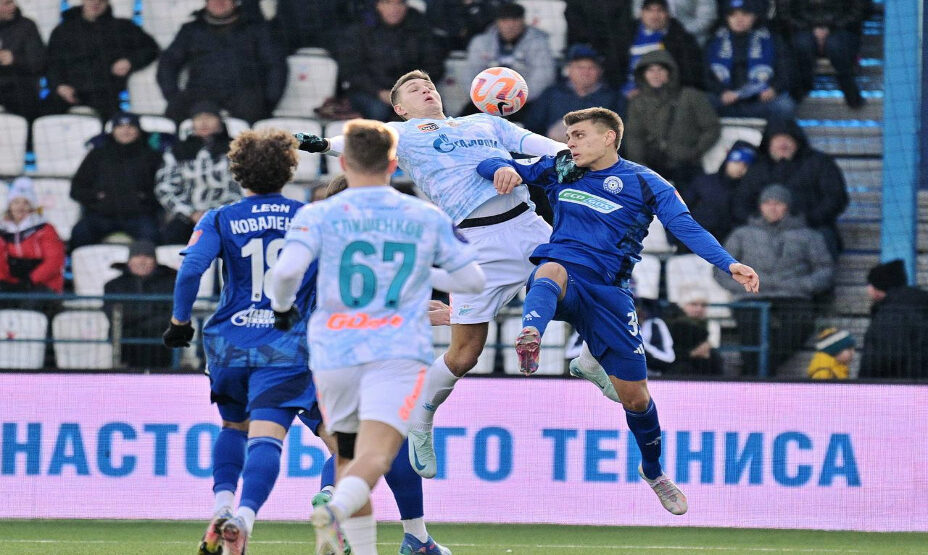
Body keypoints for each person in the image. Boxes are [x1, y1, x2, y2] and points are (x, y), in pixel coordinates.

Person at [293, 69, 610, 481]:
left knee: (596, 286)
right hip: (478, 245)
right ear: (400, 108)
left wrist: (543, 162)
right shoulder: (403, 133)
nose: (425, 89)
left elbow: (546, 148)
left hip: (529, 227)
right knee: (464, 354)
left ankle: (588, 360)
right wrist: (321, 144)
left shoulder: (484, 122)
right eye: (413, 88)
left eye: (428, 85)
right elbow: (359, 140)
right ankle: (421, 418)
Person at [476, 107, 758, 514]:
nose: (569, 143)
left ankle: (653, 471)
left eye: (579, 135)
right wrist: (502, 168)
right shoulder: (562, 168)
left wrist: (729, 264)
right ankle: (531, 333)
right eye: (568, 136)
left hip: (610, 295)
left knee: (637, 400)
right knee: (550, 268)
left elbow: (686, 227)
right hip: (566, 280)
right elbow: (488, 163)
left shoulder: (646, 182)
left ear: (609, 137)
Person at [268, 119, 484, 555]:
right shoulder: (423, 215)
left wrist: (281, 309)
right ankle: (337, 506)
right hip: (394, 351)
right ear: (393, 163)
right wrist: (420, 275)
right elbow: (474, 281)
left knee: (349, 453)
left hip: (330, 353)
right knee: (381, 452)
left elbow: (286, 273)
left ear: (343, 162)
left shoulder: (317, 215)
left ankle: (365, 531)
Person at [162, 129, 320, 555]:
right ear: (289, 169)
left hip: (230, 341)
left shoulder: (219, 218)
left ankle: (221, 507)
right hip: (286, 343)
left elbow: (190, 270)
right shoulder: (311, 216)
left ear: (237, 172)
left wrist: (180, 321)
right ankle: (244, 518)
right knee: (267, 436)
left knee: (233, 426)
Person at [714, 184, 833, 375]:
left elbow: (825, 269)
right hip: (752, 295)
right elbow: (722, 267)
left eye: (778, 203)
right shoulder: (742, 235)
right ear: (760, 207)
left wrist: (803, 286)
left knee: (801, 322)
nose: (772, 208)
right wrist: (743, 286)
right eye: (767, 203)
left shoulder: (809, 236)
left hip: (793, 295)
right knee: (750, 324)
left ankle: (760, 371)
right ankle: (759, 373)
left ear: (787, 206)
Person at [732, 118, 848, 257]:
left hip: (811, 228)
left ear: (798, 142)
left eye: (787, 139)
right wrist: (762, 222)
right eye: (777, 139)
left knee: (824, 238)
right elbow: (740, 203)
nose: (782, 144)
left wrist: (806, 220)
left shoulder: (820, 163)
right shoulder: (756, 168)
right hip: (762, 231)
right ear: (768, 143)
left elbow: (836, 198)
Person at [157, 0, 287, 124]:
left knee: (254, 112)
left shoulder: (257, 29)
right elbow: (168, 62)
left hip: (243, 94)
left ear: (234, 2)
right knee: (176, 109)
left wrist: (268, 101)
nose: (219, 2)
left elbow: (276, 65)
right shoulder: (191, 30)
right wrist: (172, 95)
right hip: (200, 93)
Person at [44, 0, 159, 119]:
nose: (95, 3)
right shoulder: (63, 31)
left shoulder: (122, 27)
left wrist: (130, 61)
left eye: (101, 0)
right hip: (68, 90)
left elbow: (151, 49)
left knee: (115, 120)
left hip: (104, 92)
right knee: (44, 115)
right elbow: (52, 63)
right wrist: (59, 86)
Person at [624, 49, 720, 188]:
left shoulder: (691, 96)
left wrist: (695, 151)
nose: (656, 74)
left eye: (660, 69)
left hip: (688, 168)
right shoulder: (638, 103)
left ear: (670, 72)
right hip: (654, 169)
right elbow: (634, 136)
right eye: (650, 70)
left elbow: (711, 127)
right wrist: (640, 165)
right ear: (643, 74)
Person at [338, 0, 445, 122]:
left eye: (399, 3)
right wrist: (379, 92)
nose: (394, 8)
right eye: (387, 3)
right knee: (379, 110)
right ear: (378, 5)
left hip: (410, 91)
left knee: (432, 109)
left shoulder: (420, 28)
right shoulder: (359, 29)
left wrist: (412, 89)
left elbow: (434, 65)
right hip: (369, 91)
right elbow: (351, 70)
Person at [69, 112, 163, 249]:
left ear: (138, 130)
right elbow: (77, 188)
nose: (125, 131)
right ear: (113, 130)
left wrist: (144, 200)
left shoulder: (153, 156)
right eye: (120, 127)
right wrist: (97, 197)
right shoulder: (97, 155)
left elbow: (162, 188)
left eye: (130, 127)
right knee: (80, 232)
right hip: (101, 215)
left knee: (152, 235)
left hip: (139, 216)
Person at [156, 101, 242, 245]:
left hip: (225, 215)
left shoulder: (236, 150)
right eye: (198, 118)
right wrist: (190, 213)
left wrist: (215, 214)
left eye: (209, 117)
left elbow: (242, 187)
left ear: (220, 121)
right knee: (171, 236)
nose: (203, 122)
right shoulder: (177, 151)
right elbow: (164, 187)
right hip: (187, 216)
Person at [704, 0, 796, 120]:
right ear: (727, 18)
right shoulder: (714, 41)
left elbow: (785, 71)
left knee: (784, 105)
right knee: (700, 101)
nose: (739, 19)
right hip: (725, 102)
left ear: (755, 16)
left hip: (759, 101)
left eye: (745, 14)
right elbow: (705, 75)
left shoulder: (772, 39)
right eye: (733, 15)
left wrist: (774, 89)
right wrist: (721, 92)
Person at [463, 2, 556, 116]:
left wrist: (516, 99)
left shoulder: (538, 42)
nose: (510, 25)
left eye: (515, 20)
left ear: (523, 20)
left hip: (525, 101)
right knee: (464, 119)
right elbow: (470, 75)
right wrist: (485, 99)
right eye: (505, 21)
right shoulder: (481, 42)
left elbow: (543, 77)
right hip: (487, 100)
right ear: (497, 22)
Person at [776, 0, 870, 108]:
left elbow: (860, 10)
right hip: (801, 27)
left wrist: (831, 27)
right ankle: (798, 92)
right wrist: (811, 28)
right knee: (802, 44)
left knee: (836, 47)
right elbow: (784, 12)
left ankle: (850, 90)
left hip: (843, 28)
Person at [523, 44, 627, 139]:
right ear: (568, 69)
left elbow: (620, 136)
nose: (585, 72)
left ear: (600, 71)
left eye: (591, 68)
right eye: (580, 67)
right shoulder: (551, 95)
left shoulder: (614, 99)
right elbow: (531, 128)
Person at [104, 240, 175, 369]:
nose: (142, 261)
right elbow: (114, 315)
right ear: (129, 261)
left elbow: (170, 316)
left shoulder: (171, 283)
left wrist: (135, 318)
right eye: (137, 256)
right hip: (126, 344)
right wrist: (152, 312)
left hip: (160, 344)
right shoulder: (113, 286)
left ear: (155, 261)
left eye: (147, 256)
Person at [615, 0, 704, 97]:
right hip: (628, 93)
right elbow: (614, 68)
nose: (655, 16)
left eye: (660, 10)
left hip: (667, 94)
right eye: (649, 10)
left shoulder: (681, 38)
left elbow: (689, 75)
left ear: (668, 14)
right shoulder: (627, 35)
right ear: (641, 13)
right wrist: (624, 90)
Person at [0, 177, 65, 309]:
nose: (20, 207)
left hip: (44, 285)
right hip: (13, 283)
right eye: (16, 202)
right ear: (10, 206)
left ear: (32, 206)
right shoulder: (3, 230)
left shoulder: (45, 229)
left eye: (26, 203)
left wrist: (30, 279)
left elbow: (54, 261)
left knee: (30, 304)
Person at [859, 259, 928, 380]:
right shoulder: (921, 306)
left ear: (877, 287)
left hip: (898, 387)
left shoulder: (887, 318)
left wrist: (863, 385)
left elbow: (876, 362)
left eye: (870, 284)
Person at [684, 140, 756, 243]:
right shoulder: (703, 182)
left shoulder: (746, 192)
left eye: (745, 165)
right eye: (736, 162)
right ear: (728, 160)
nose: (740, 168)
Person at [0, 0, 46, 122]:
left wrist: (14, 59)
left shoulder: (27, 26)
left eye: (12, 2)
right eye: (6, 3)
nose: (12, 6)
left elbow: (39, 63)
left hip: (20, 89)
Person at [665, 287, 725, 375]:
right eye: (693, 304)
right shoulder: (673, 325)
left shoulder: (712, 325)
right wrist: (691, 354)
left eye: (703, 305)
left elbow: (711, 348)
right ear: (683, 306)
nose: (699, 309)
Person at [635, 0, 718, 45]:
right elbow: (638, 13)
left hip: (691, 41)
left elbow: (706, 19)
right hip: (648, 40)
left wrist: (677, 34)